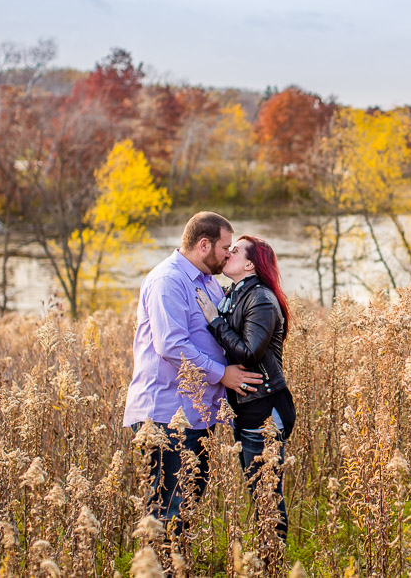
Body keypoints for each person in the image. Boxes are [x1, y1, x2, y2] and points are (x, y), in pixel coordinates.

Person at [123, 211, 263, 535]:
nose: (229, 254)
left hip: (197, 415)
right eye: (225, 247)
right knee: (167, 511)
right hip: (165, 415)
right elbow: (171, 346)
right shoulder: (167, 281)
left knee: (185, 510)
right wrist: (222, 374)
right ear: (204, 244)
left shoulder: (210, 283)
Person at [194, 235, 295, 542]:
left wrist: (214, 321)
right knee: (260, 493)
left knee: (266, 497)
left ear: (250, 264)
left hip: (265, 409)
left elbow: (249, 353)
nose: (227, 254)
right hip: (249, 408)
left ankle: (273, 563)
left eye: (234, 251)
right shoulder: (234, 294)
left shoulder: (261, 298)